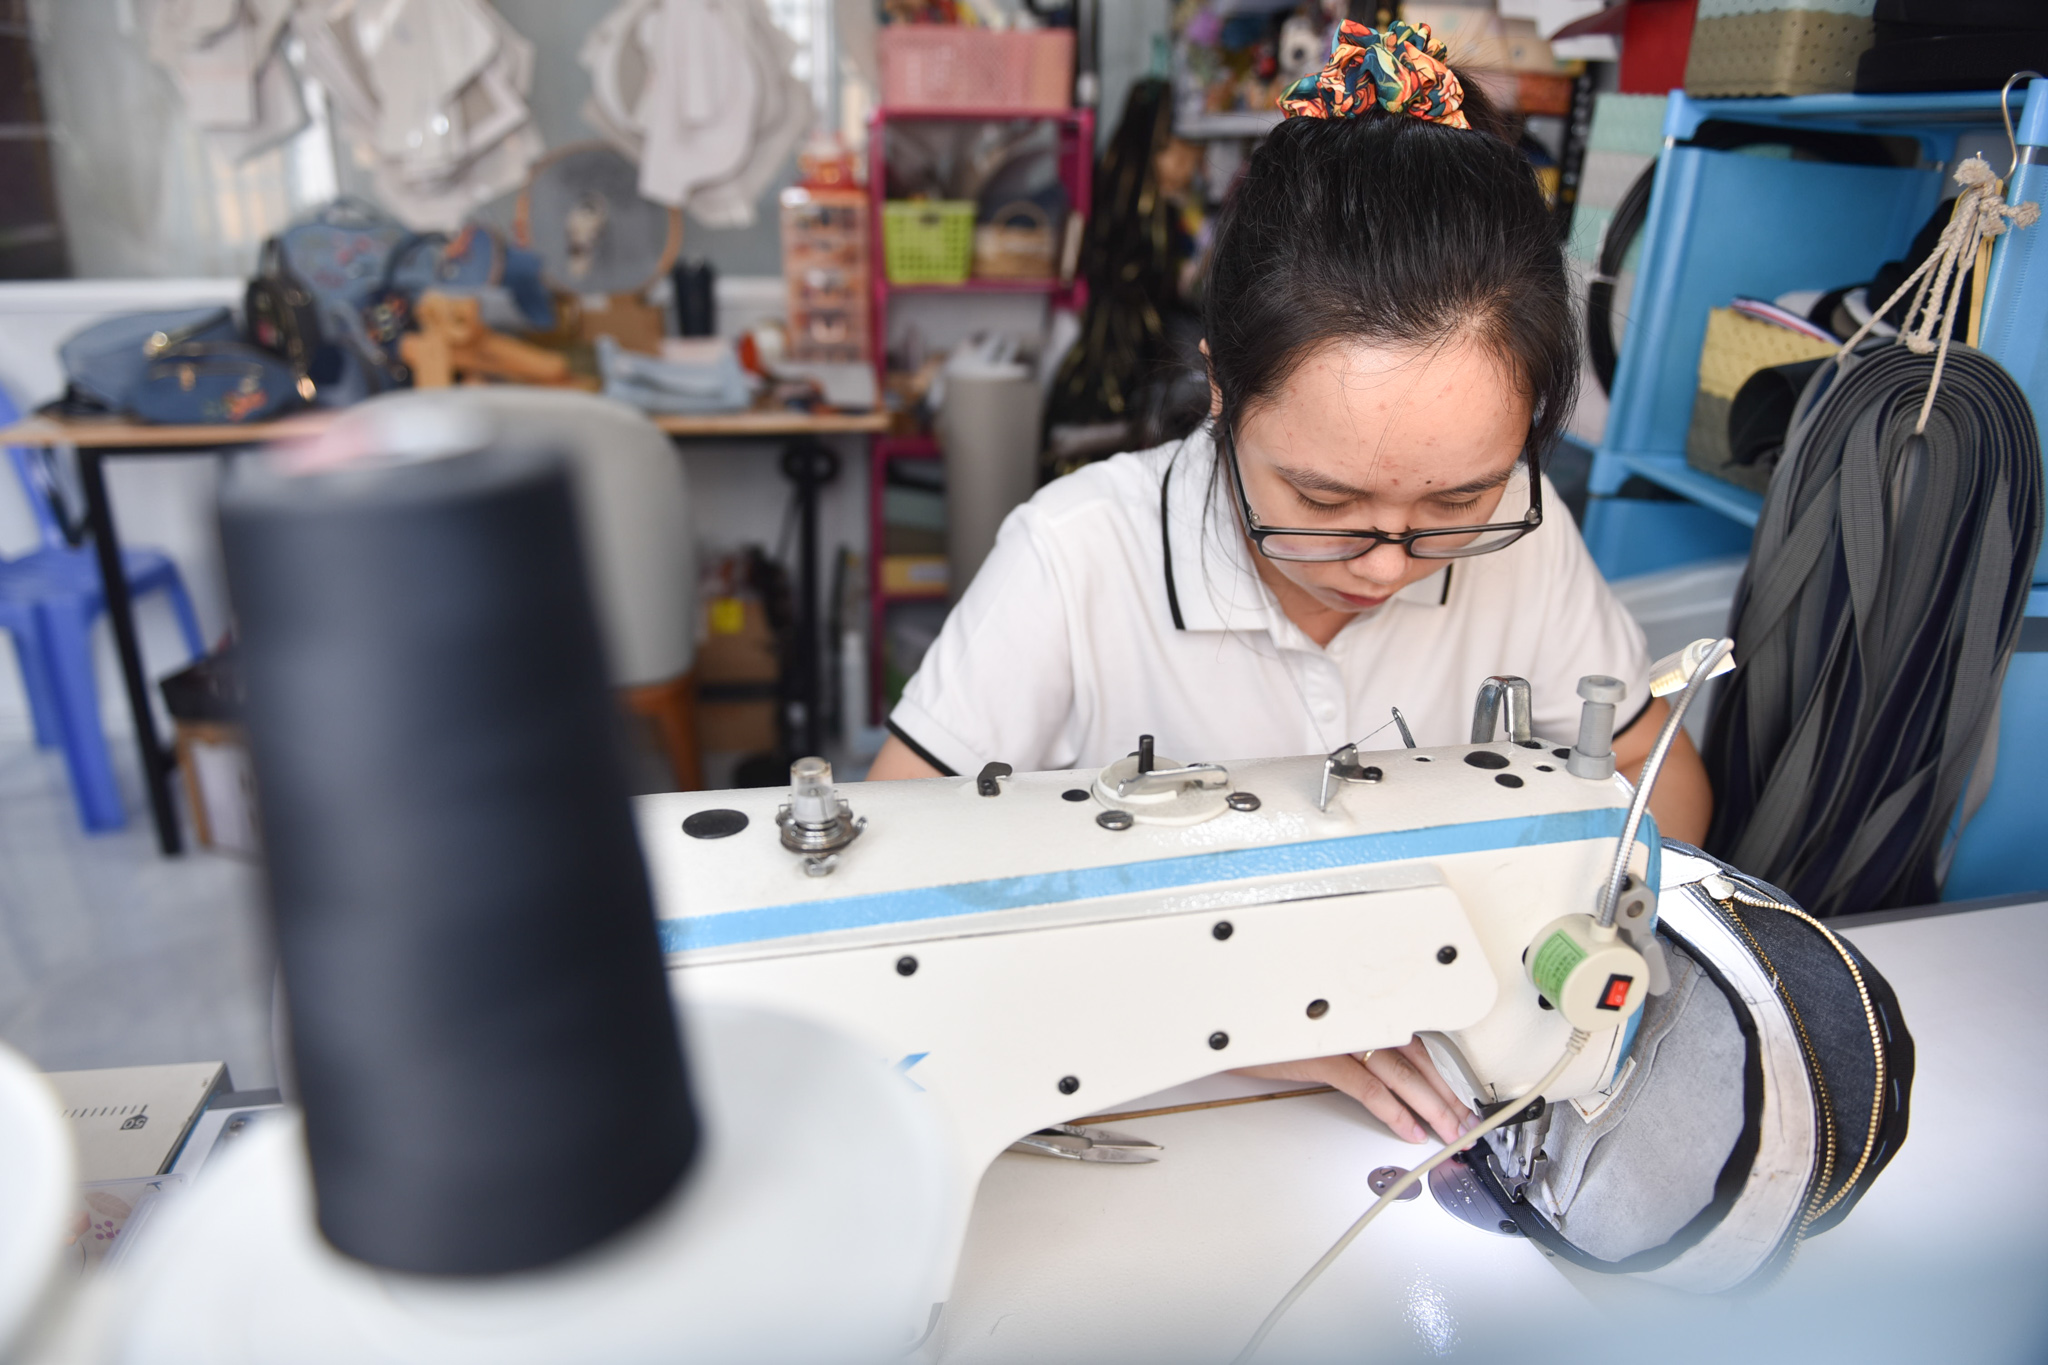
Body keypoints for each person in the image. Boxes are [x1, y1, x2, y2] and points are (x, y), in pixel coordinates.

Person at [868, 22, 1711, 1147]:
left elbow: (1662, 793)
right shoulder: (1076, 557)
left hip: (1431, 1092)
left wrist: (1545, 944)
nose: (1383, 563)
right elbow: (886, 897)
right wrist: (1230, 1006)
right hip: (1163, 1115)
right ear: (1220, 388)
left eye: (1455, 504)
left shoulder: (1529, 536)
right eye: (1321, 502)